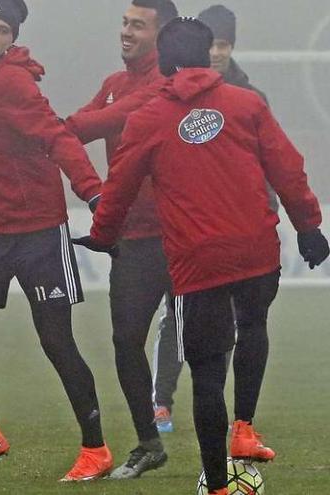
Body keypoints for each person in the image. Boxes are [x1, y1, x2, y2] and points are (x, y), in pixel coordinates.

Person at [75, 17, 328, 494]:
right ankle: (245, 427)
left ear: (164, 62)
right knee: (253, 328)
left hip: (200, 265)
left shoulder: (148, 119)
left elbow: (120, 188)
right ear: (209, 54)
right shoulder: (247, 103)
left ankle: (216, 485)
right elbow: (288, 168)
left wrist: (104, 235)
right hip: (257, 255)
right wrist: (309, 227)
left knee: (207, 375)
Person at [0, 0, 113, 483]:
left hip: (37, 231)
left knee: (56, 341)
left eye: (2, 29)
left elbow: (56, 137)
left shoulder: (14, 82)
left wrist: (94, 194)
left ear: (13, 39)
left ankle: (95, 449)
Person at [64, 0, 178, 479]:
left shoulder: (164, 86)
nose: (126, 32)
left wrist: (47, 128)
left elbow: (87, 126)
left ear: (162, 34)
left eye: (138, 25)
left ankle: (236, 433)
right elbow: (72, 133)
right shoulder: (113, 84)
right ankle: (148, 443)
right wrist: (93, 193)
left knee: (211, 343)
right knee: (126, 341)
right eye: (124, 23)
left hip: (182, 235)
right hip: (133, 239)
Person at [151, 4, 276, 433]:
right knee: (177, 316)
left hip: (243, 235)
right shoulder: (165, 97)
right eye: (213, 44)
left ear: (232, 47)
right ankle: (162, 400)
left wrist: (271, 215)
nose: (219, 52)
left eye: (225, 44)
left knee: (240, 326)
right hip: (190, 234)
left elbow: (273, 167)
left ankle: (238, 420)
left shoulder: (252, 98)